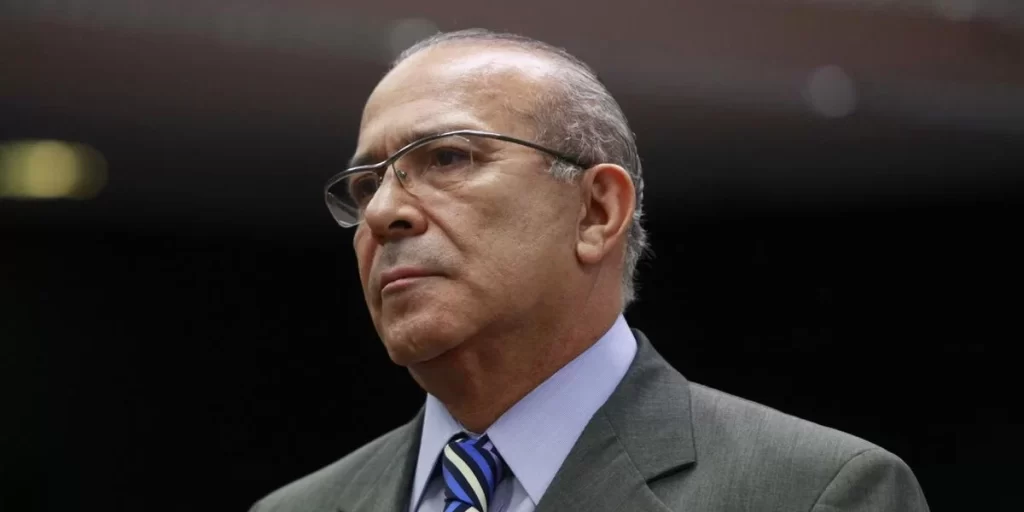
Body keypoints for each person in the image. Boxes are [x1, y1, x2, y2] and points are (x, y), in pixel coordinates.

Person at [251, 28, 929, 512]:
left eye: (448, 158)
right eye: (367, 184)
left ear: (596, 212)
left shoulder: (816, 492)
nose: (382, 213)